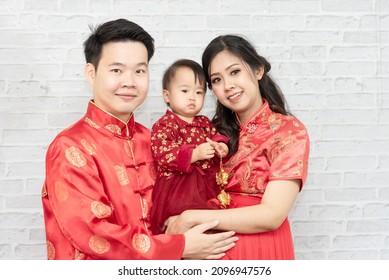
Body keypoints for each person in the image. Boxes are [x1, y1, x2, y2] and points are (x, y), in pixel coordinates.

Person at [41, 19, 237, 260]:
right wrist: (179, 246)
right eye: (116, 70)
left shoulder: (152, 139)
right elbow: (92, 232)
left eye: (139, 71)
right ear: (91, 74)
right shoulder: (70, 147)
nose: (129, 82)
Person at [165, 35, 310, 260]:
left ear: (258, 70)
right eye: (216, 80)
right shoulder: (210, 133)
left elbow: (272, 215)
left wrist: (190, 218)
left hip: (262, 248)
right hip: (208, 250)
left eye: (234, 72)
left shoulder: (287, 130)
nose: (228, 86)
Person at [149, 59, 229, 234]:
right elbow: (162, 153)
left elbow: (216, 136)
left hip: (205, 185)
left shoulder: (204, 122)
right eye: (185, 91)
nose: (192, 97)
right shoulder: (165, 124)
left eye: (199, 92)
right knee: (181, 224)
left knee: (210, 224)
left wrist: (220, 146)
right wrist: (194, 154)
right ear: (167, 95)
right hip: (179, 188)